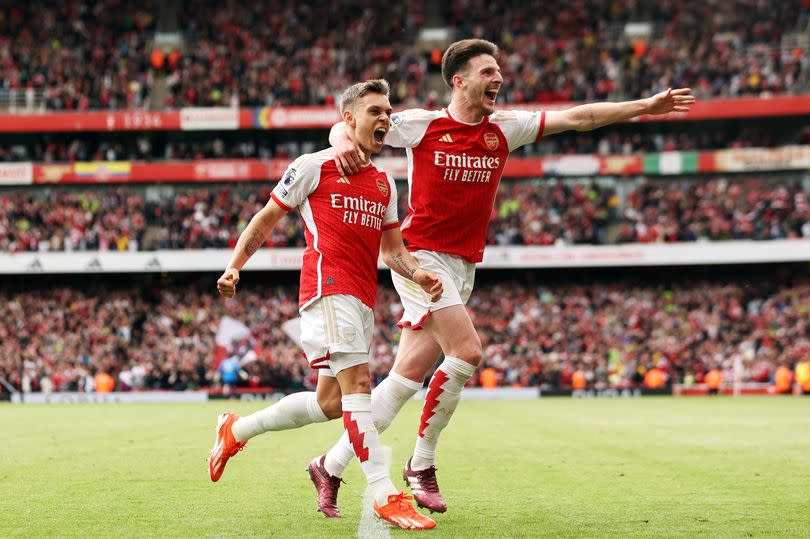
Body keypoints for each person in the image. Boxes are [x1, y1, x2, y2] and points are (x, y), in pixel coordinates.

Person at [314, 38, 695, 514]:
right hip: (420, 259)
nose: (499, 79)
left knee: (405, 379)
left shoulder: (505, 128)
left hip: (463, 265)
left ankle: (328, 465)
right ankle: (421, 464)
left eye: (499, 72)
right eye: (488, 72)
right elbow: (343, 124)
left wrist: (646, 106)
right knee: (468, 351)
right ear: (460, 80)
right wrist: (343, 144)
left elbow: (580, 118)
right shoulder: (423, 125)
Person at [207, 79, 443, 530]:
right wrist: (235, 266)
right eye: (375, 110)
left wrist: (418, 272)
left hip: (362, 298)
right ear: (348, 119)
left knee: (332, 402)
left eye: (388, 110)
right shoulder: (314, 166)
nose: (385, 118)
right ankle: (384, 492)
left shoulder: (384, 184)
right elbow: (266, 218)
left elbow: (392, 250)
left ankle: (235, 430)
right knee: (359, 385)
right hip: (327, 288)